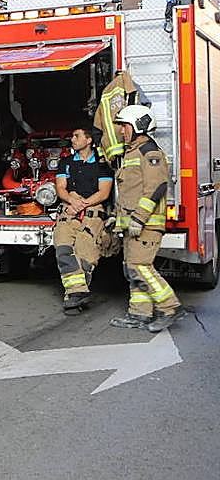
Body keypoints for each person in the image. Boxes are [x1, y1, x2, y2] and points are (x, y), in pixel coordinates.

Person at [107, 105, 182, 332]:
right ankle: (140, 314)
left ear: (139, 126)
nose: (121, 131)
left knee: (141, 267)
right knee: (132, 268)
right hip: (132, 225)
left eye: (125, 126)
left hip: (146, 225)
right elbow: (130, 192)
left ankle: (170, 307)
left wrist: (139, 218)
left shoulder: (149, 152)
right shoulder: (131, 152)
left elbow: (156, 187)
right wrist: (117, 219)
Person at [52, 127, 113, 314]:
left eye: (76, 136)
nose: (72, 139)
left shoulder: (102, 165)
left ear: (88, 140)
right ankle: (77, 294)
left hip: (92, 213)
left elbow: (104, 193)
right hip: (69, 210)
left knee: (85, 254)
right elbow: (60, 187)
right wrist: (71, 200)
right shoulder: (66, 163)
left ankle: (73, 296)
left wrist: (82, 204)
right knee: (62, 248)